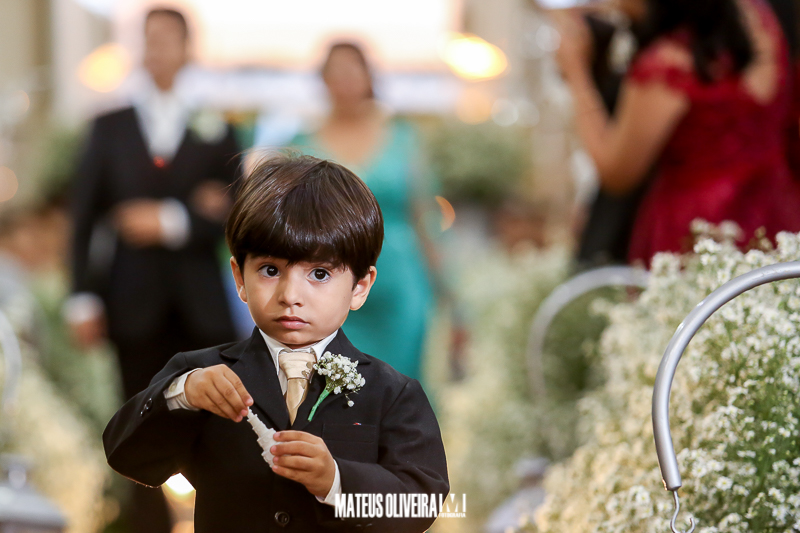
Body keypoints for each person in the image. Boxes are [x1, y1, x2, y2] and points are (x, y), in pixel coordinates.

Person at [102, 154, 450, 533]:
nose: (290, 296)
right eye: (270, 270)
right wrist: (180, 395)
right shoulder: (201, 376)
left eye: (319, 274)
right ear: (239, 277)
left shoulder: (393, 393)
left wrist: (337, 481)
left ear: (360, 286)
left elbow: (422, 500)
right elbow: (127, 457)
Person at [67, 8, 239, 532]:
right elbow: (84, 216)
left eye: (167, 39)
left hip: (201, 302)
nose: (156, 49)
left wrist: (171, 220)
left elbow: (235, 211)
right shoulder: (109, 126)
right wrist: (82, 297)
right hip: (131, 299)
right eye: (149, 39)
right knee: (139, 421)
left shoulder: (217, 128)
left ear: (188, 48)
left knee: (216, 420)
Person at [554, 0, 800, 265]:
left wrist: (576, 73)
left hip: (699, 232)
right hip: (775, 213)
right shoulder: (758, 20)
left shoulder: (667, 65)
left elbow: (617, 173)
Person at [290, 43, 440, 381]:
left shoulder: (403, 138)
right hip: (329, 283)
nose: (344, 80)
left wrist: (448, 293)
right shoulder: (301, 144)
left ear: (369, 77)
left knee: (400, 383)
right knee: (335, 387)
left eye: (352, 70)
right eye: (336, 71)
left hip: (399, 284)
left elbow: (425, 217)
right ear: (323, 80)